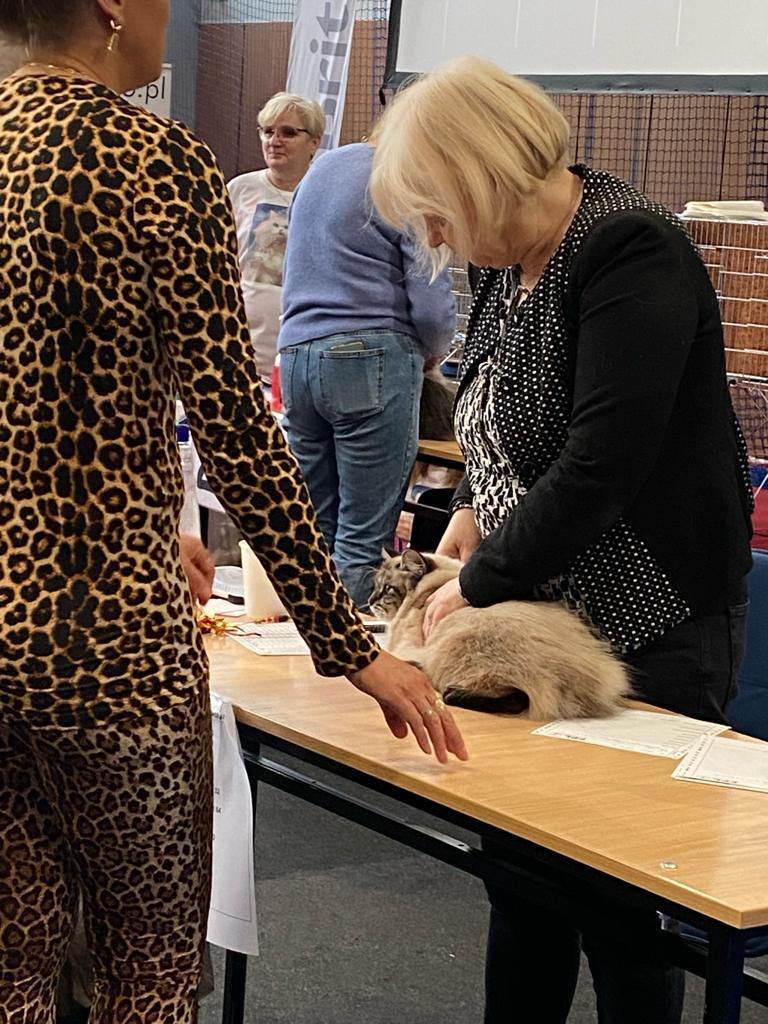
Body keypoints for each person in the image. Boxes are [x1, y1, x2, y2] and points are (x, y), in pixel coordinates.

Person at [0, 5, 467, 1023]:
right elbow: (238, 433)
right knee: (147, 970)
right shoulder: (154, 160)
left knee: (14, 964)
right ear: (112, 6)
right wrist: (350, 644)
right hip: (110, 643)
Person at [369, 56, 753, 1024]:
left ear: (482, 176)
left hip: (649, 623)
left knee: (625, 909)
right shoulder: (508, 266)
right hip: (537, 623)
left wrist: (479, 581)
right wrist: (469, 514)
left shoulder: (629, 247)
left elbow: (601, 460)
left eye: (439, 212)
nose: (436, 238)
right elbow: (499, 420)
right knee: (524, 887)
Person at [279, 142, 457, 607]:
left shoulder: (324, 167)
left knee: (311, 529)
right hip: (370, 356)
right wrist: (435, 351)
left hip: (296, 355)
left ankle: (302, 636)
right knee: (362, 541)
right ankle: (348, 647)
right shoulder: (409, 173)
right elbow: (432, 304)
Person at [227, 92, 324, 381]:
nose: (275, 141)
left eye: (288, 133)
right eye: (268, 131)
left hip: (303, 357)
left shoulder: (325, 193)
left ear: (314, 142)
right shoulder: (239, 189)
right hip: (241, 354)